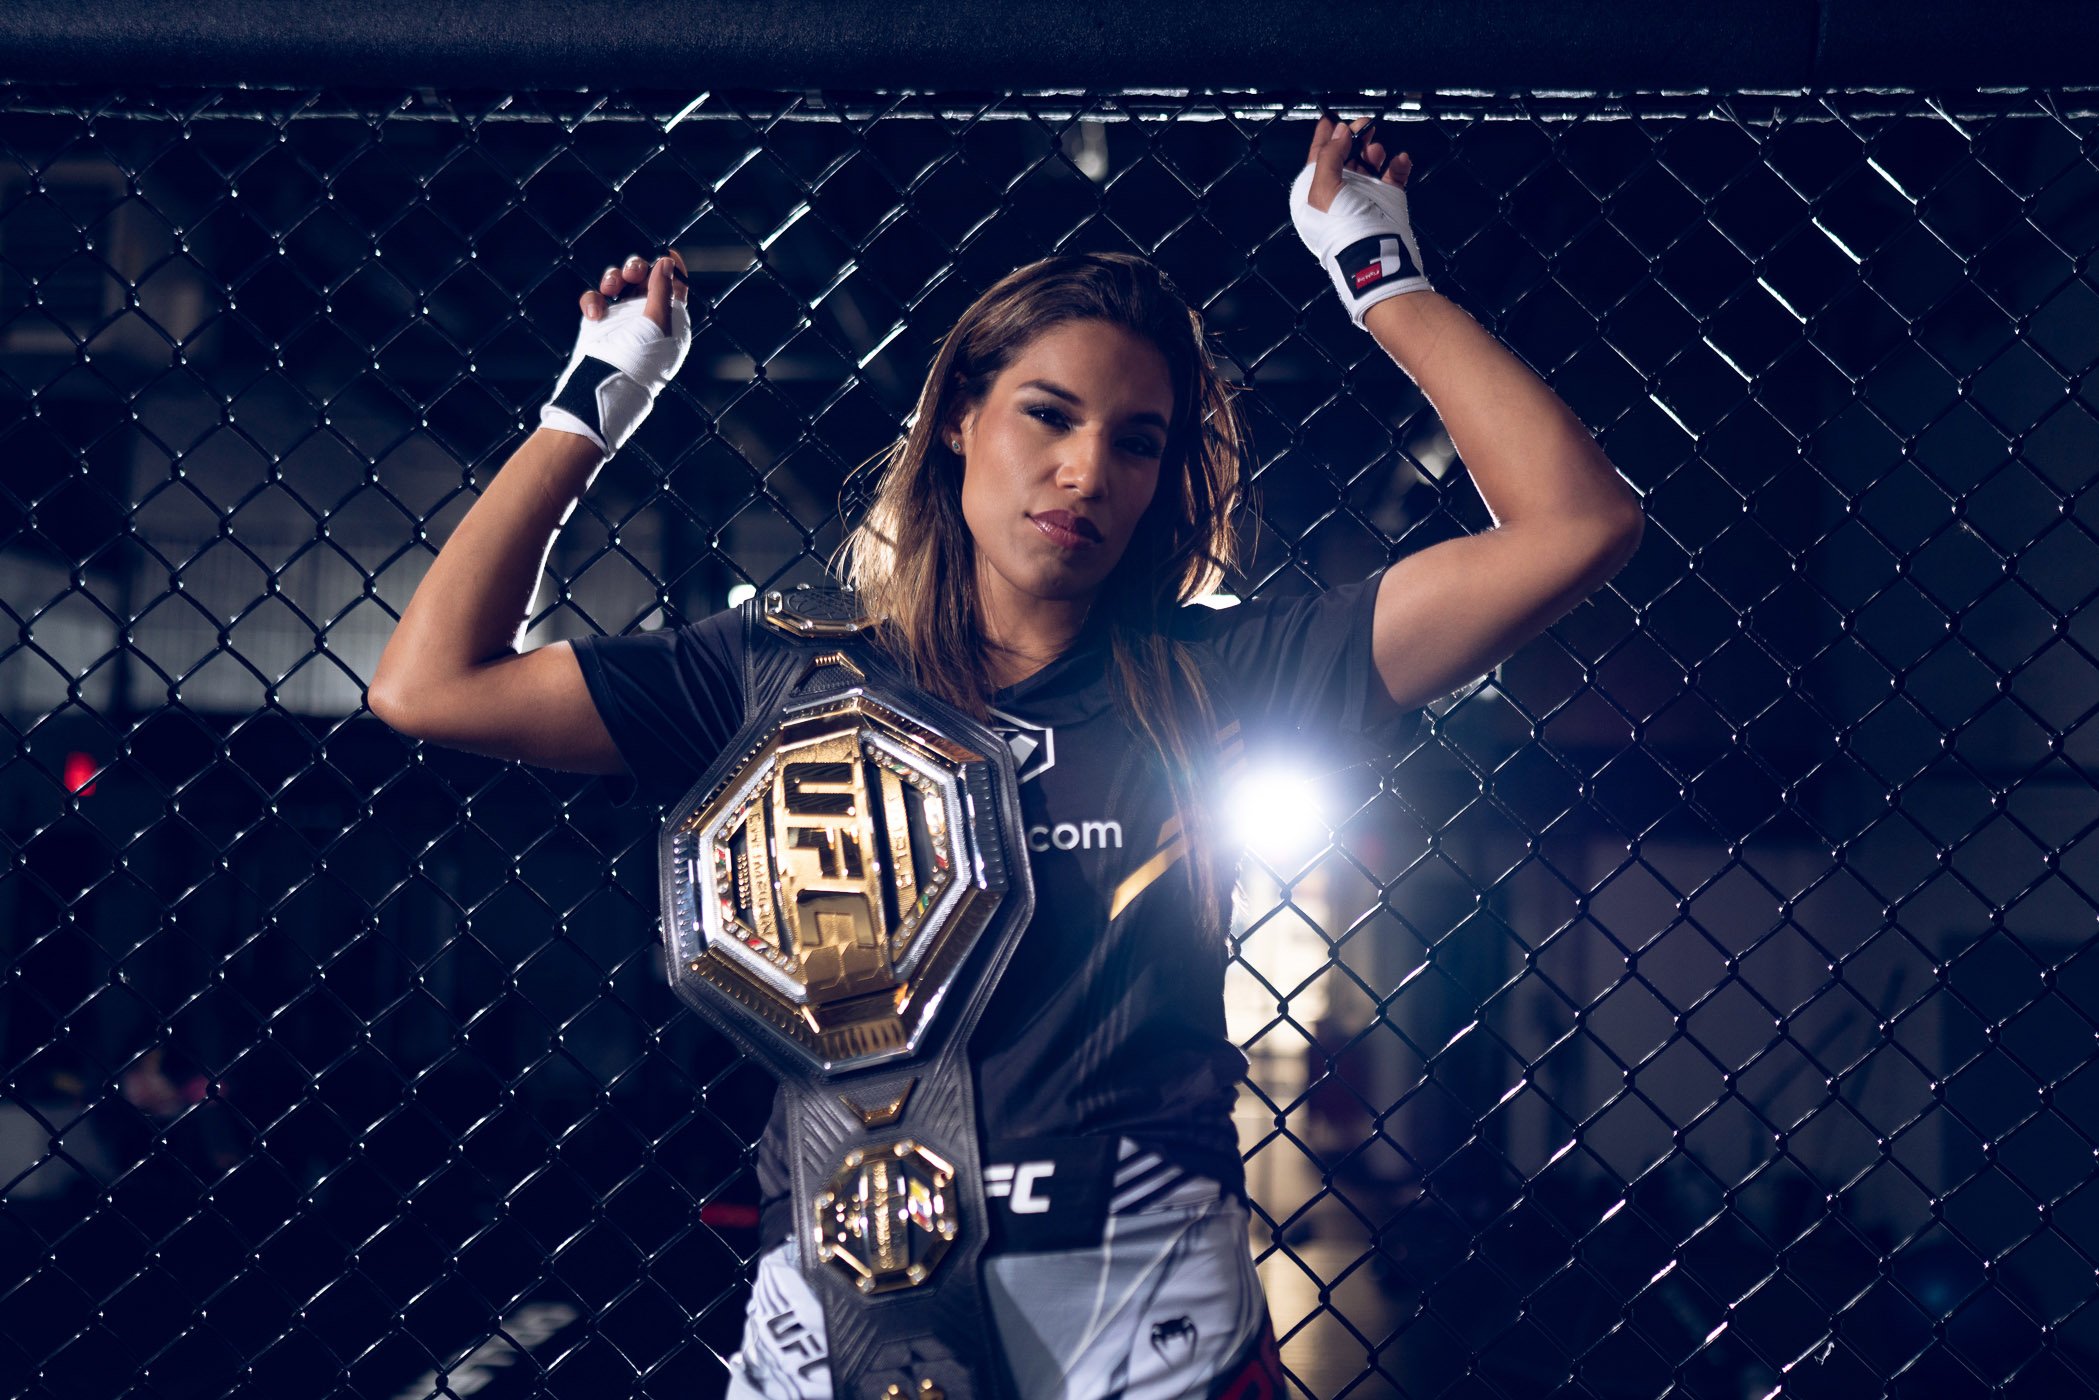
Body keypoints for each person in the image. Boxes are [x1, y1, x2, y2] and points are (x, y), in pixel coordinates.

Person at [369, 113, 1643, 1399]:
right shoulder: (773, 668)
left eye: (1136, 440)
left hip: (1140, 1294)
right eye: (1047, 413)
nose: (1085, 467)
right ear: (960, 422)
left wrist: (1382, 277)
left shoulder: (1227, 670)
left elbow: (1575, 521)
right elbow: (431, 683)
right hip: (843, 1288)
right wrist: (592, 403)